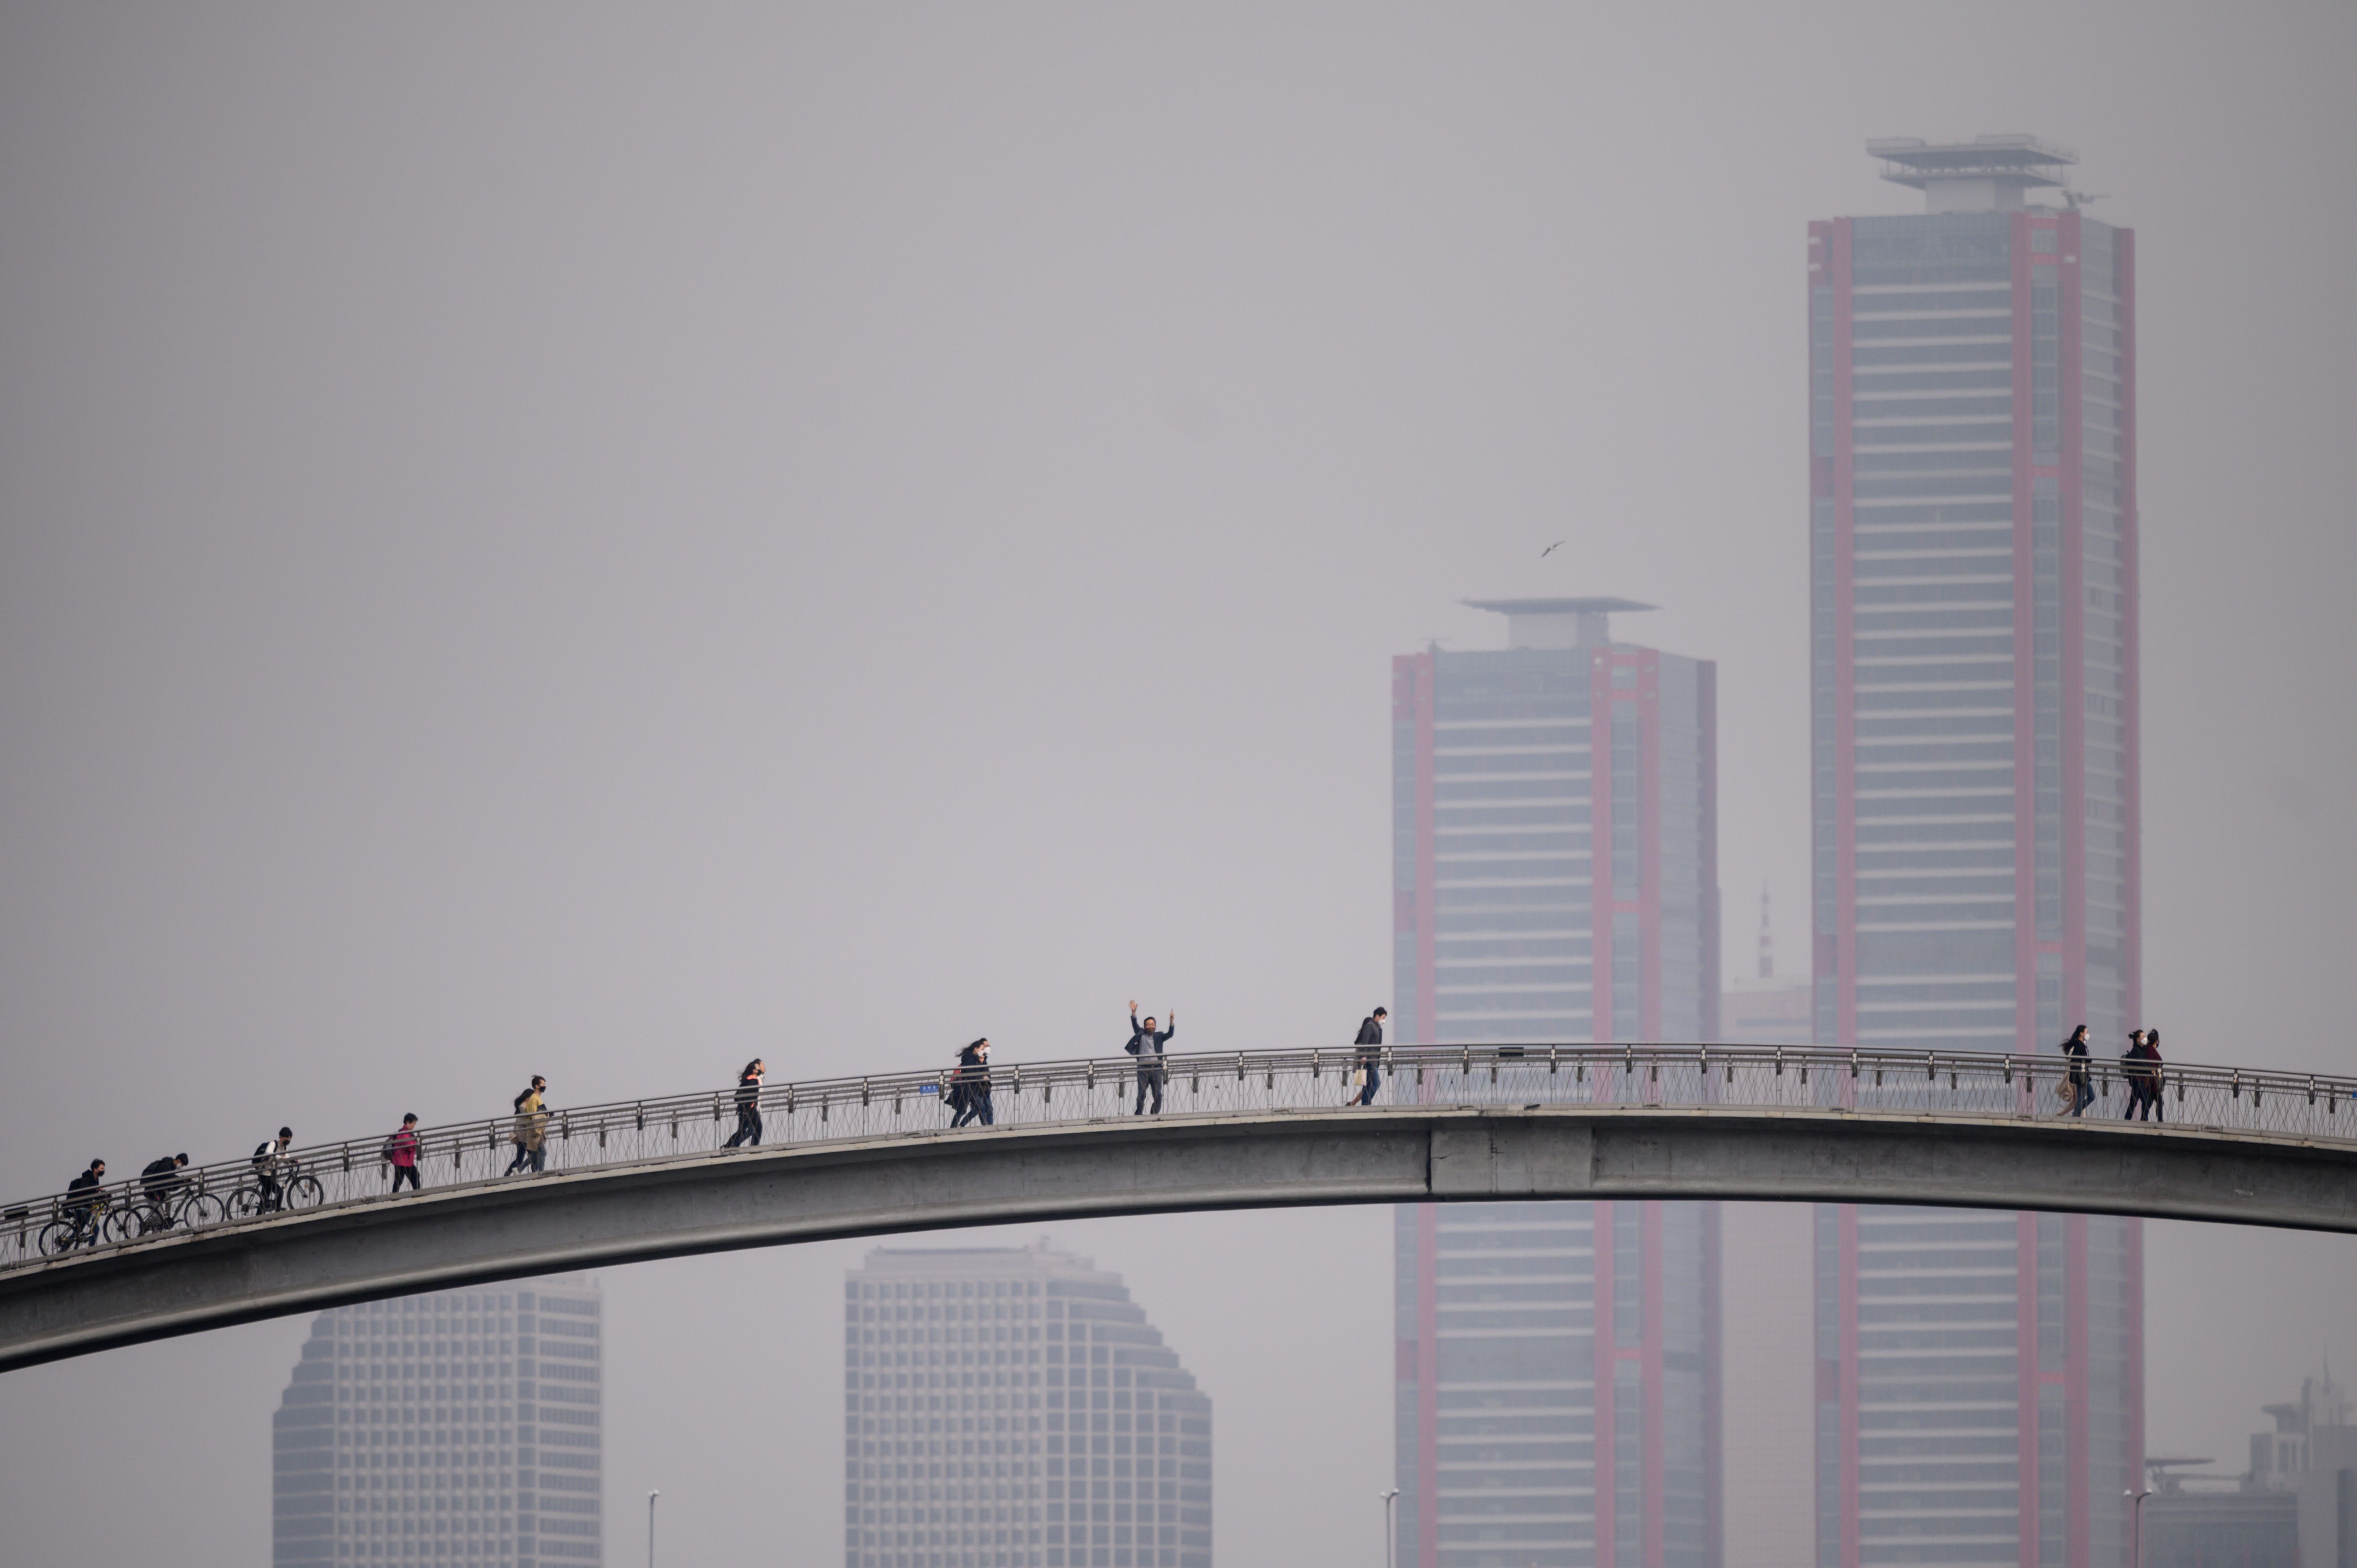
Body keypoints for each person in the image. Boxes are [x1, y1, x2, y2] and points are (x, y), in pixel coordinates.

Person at [1126, 1003, 1175, 1115]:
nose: (1151, 1026)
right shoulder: (1141, 1034)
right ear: (1145, 1027)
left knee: (1158, 1094)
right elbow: (1135, 1025)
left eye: (1152, 1024)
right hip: (1142, 1069)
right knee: (1142, 1093)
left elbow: (1170, 1035)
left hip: (1156, 1069)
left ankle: (1154, 1112)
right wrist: (1134, 1013)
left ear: (1156, 1026)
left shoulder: (1159, 1036)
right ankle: (1139, 1113)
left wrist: (1171, 1022)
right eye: (1148, 1025)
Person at [505, 1077, 550, 1175]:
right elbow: (532, 1117)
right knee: (537, 1154)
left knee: (536, 1155)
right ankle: (537, 1173)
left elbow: (540, 1115)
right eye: (543, 1084)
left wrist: (546, 1116)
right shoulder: (529, 1102)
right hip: (528, 1135)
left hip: (534, 1133)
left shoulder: (537, 1099)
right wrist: (544, 1116)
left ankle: (527, 1171)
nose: (545, 1086)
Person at [949, 1039, 993, 1128]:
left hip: (974, 1088)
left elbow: (982, 1072)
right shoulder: (970, 1059)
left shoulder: (978, 1059)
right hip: (969, 1088)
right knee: (977, 1108)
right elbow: (970, 1074)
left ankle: (957, 1127)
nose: (984, 1050)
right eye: (982, 1049)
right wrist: (982, 1078)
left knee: (978, 1109)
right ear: (976, 1049)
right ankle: (956, 1127)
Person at [64, 1158, 107, 1246]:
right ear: (96, 1170)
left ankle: (62, 1252)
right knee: (96, 1229)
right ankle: (91, 1250)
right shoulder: (87, 1179)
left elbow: (94, 1195)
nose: (104, 1171)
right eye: (102, 1169)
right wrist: (96, 1189)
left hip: (86, 1208)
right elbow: (84, 1190)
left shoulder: (96, 1180)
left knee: (76, 1234)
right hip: (81, 1209)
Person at [2124, 1028, 2165, 1123]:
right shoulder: (2136, 1050)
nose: (2145, 1038)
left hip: (2141, 1080)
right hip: (2137, 1079)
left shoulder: (2141, 1050)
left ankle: (2127, 1120)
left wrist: (2151, 1069)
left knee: (2134, 1102)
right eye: (2143, 1037)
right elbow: (2143, 1064)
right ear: (2138, 1039)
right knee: (2146, 1100)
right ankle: (2144, 1120)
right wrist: (2151, 1070)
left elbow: (2146, 1063)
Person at [723, 1060, 766, 1149]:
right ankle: (730, 1146)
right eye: (758, 1068)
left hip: (751, 1108)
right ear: (754, 1070)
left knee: (757, 1128)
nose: (760, 1069)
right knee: (745, 1131)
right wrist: (748, 1106)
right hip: (748, 1109)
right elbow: (744, 1096)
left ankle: (754, 1148)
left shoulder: (753, 1080)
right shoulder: (751, 1081)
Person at [1351, 1007, 1388, 1106]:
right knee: (1376, 1083)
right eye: (1383, 1017)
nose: (1384, 1020)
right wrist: (1364, 1056)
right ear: (1377, 1016)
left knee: (1368, 1086)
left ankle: (1362, 1104)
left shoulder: (1377, 1028)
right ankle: (1366, 1104)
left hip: (1374, 1061)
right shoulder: (1371, 1026)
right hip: (1370, 1061)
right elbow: (1365, 1043)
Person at [140, 1153, 189, 1225]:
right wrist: (181, 1179)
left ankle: (150, 1227)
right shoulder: (166, 1166)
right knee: (160, 1219)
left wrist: (182, 1181)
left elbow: (170, 1183)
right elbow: (169, 1177)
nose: (182, 1167)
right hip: (152, 1194)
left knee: (159, 1218)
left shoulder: (170, 1167)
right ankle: (144, 1226)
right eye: (182, 1165)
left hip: (156, 1195)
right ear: (178, 1161)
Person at [253, 1127, 294, 1212]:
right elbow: (269, 1153)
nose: (289, 1140)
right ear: (281, 1137)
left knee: (264, 1199)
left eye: (290, 1138)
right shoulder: (273, 1144)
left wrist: (295, 1162)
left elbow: (287, 1160)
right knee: (280, 1192)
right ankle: (277, 1213)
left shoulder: (284, 1149)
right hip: (264, 1173)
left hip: (271, 1175)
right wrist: (280, 1158)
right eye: (287, 1138)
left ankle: (259, 1218)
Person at [2059, 1024, 2094, 1117]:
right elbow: (2075, 1058)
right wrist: (2086, 1060)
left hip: (2085, 1075)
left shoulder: (2083, 1045)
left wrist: (2087, 1060)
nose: (2088, 1034)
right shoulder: (2078, 1044)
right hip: (2080, 1076)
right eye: (2087, 1032)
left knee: (2091, 1096)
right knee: (2081, 1098)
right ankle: (2076, 1116)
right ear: (2081, 1034)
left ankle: (2076, 1113)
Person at [383, 1115, 422, 1193]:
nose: (414, 1126)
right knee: (400, 1179)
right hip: (400, 1161)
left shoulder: (408, 1134)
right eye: (414, 1124)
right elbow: (409, 1145)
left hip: (406, 1162)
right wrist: (416, 1143)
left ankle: (417, 1193)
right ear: (408, 1123)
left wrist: (416, 1143)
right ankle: (396, 1196)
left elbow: (411, 1144)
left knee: (414, 1176)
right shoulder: (403, 1133)